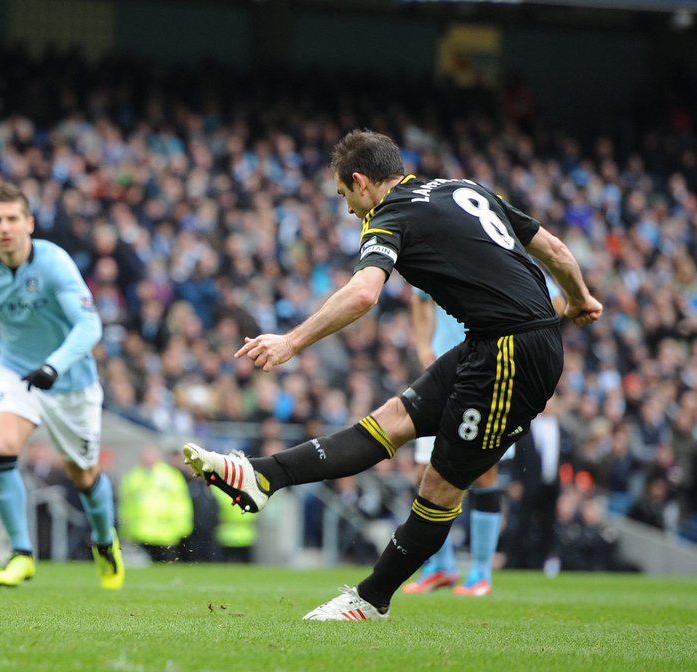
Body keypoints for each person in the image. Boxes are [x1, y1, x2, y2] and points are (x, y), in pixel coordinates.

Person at [182, 130, 601, 621]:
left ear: (361, 182)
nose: (348, 210)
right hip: (492, 341)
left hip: (513, 351)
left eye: (344, 196)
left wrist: (290, 341)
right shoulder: (463, 188)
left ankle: (371, 599)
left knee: (441, 486)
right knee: (391, 420)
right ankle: (261, 475)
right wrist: (580, 297)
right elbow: (552, 248)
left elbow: (363, 294)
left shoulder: (388, 215)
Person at [0, 182, 123, 589]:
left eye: (12, 219)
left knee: (83, 475)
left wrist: (54, 366)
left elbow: (90, 324)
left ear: (29, 223)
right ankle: (21, 553)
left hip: (70, 381)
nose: (5, 227)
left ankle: (104, 541)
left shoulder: (54, 263)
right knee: (2, 448)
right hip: (15, 371)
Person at [403, 279, 566, 597]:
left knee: (482, 474)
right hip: (444, 373)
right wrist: (424, 345)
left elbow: (557, 305)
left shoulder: (509, 254)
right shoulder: (443, 250)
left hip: (491, 373)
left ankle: (480, 570)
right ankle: (441, 566)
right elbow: (419, 296)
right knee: (423, 471)